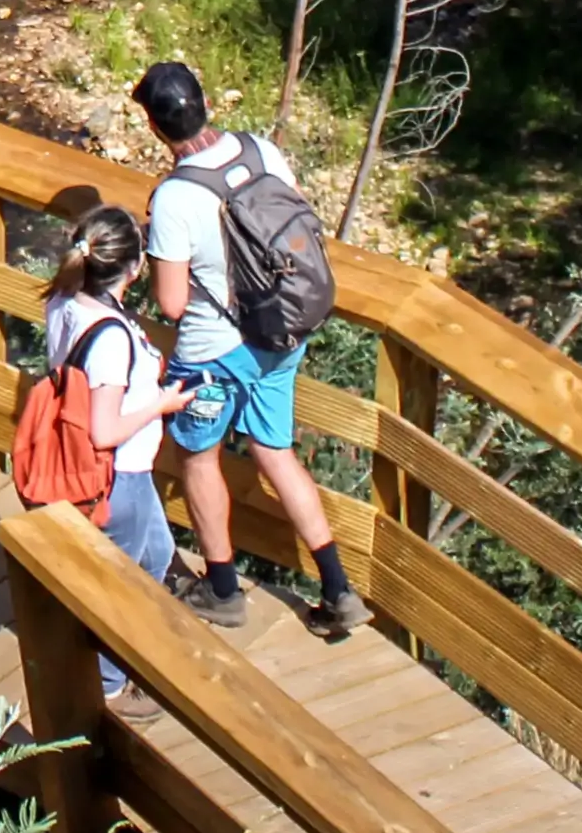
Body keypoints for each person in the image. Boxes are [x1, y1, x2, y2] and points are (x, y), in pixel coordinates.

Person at [133, 59, 371, 640]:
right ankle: (338, 590)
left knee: (197, 457)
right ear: (205, 103)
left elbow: (169, 303)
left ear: (155, 127)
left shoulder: (175, 198)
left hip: (214, 351)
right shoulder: (261, 151)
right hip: (281, 334)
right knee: (275, 452)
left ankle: (221, 591)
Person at [44, 204, 194, 723]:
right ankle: (107, 689)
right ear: (134, 269)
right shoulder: (110, 337)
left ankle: (128, 653)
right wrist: (161, 405)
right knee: (117, 581)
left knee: (157, 556)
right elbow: (105, 430)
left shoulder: (64, 300)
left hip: (112, 470)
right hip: (116, 476)